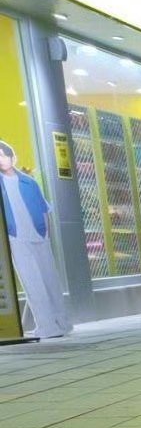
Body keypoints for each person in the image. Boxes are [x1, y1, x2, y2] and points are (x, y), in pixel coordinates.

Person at [0, 139, 72, 338]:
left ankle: (63, 323)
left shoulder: (29, 182)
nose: (1, 159)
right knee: (32, 283)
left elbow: (44, 210)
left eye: (3, 154)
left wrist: (46, 235)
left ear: (12, 157)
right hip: (16, 239)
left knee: (51, 281)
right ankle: (47, 325)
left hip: (39, 236)